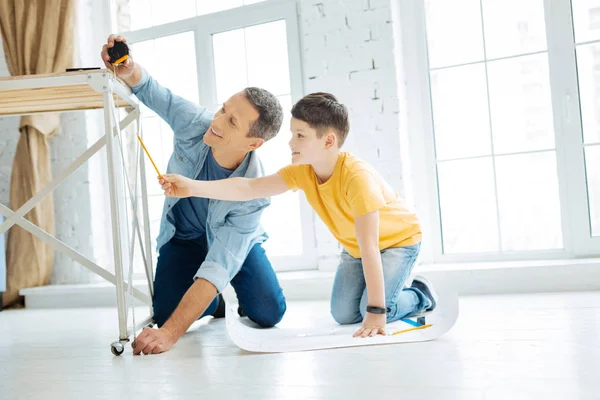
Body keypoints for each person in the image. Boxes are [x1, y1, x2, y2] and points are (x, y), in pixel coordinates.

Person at [159, 92, 438, 338]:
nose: (291, 142)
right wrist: (192, 187)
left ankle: (418, 294)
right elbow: (249, 187)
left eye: (300, 136)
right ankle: (390, 295)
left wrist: (378, 311)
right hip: (356, 249)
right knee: (344, 314)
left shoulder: (357, 178)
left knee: (375, 309)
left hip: (397, 243)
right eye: (292, 134)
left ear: (328, 140)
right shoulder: (302, 171)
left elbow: (371, 248)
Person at [100, 35, 287, 355]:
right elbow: (154, 92)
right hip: (183, 237)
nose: (216, 121)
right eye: (222, 109)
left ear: (252, 143)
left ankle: (211, 293)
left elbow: (219, 262)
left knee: (268, 313)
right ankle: (212, 302)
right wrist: (127, 68)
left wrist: (170, 334)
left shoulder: (255, 193)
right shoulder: (196, 124)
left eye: (231, 121)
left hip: (231, 241)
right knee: (166, 310)